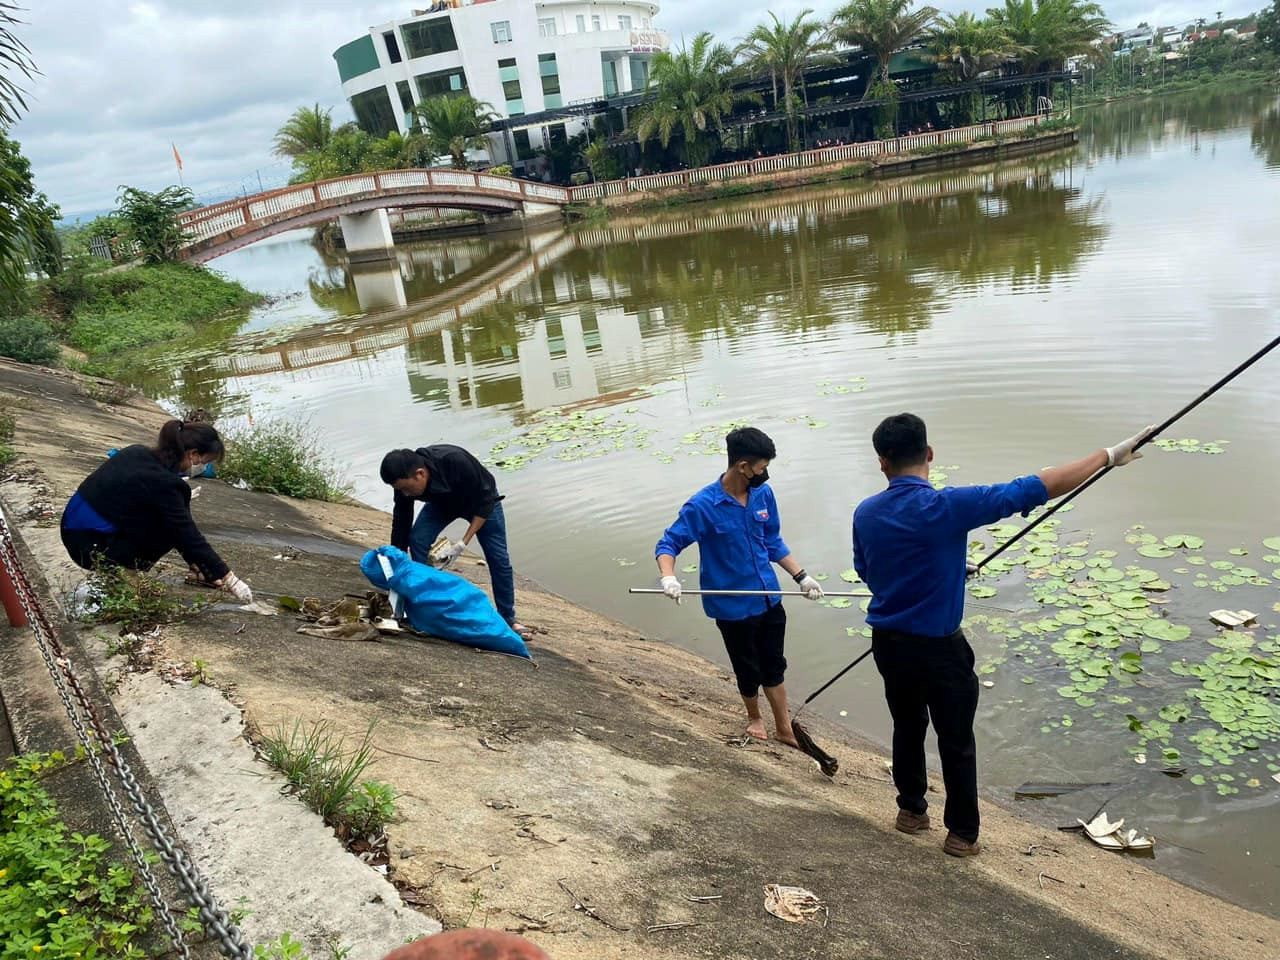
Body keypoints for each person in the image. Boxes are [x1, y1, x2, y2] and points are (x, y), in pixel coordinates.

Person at [852, 413, 1153, 857]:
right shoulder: (947, 507)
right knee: (956, 740)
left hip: (889, 643)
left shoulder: (866, 512)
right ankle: (960, 835)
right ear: (929, 454)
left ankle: (911, 812)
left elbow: (869, 572)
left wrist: (950, 568)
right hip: (939, 650)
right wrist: (1107, 456)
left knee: (906, 726)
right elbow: (1034, 487)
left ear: (882, 462)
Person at [655, 427, 824, 746]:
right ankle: (755, 718)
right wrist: (669, 577)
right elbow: (668, 544)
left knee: (774, 665)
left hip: (768, 598)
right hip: (732, 606)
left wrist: (801, 577)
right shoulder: (702, 506)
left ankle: (784, 727)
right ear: (743, 466)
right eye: (761, 467)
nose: (765, 474)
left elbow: (772, 541)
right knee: (747, 667)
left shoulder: (763, 495)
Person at [60, 418, 253, 602]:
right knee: (169, 528)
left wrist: (203, 565)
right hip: (91, 549)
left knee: (170, 520)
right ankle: (122, 572)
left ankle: (199, 568)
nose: (204, 467)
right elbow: (187, 534)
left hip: (72, 533)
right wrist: (229, 577)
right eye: (205, 461)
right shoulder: (167, 484)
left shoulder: (135, 453)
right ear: (192, 454)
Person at [380, 445, 525, 634]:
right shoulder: (403, 484)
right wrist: (396, 558)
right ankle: (424, 601)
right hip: (441, 505)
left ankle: (508, 618)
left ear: (420, 474)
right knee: (417, 540)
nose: (405, 494)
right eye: (400, 490)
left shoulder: (455, 461)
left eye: (407, 489)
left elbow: (486, 501)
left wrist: (462, 543)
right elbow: (402, 521)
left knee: (499, 559)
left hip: (480, 504)